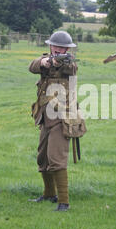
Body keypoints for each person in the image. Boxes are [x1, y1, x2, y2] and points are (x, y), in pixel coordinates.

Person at [29, 31, 79, 212]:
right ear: (51, 47)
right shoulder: (46, 59)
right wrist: (47, 62)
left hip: (62, 117)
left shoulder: (70, 62)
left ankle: (64, 202)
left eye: (62, 48)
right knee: (42, 157)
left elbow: (70, 69)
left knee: (57, 158)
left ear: (68, 49)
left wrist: (58, 62)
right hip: (45, 116)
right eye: (56, 47)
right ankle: (49, 194)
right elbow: (33, 66)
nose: (58, 50)